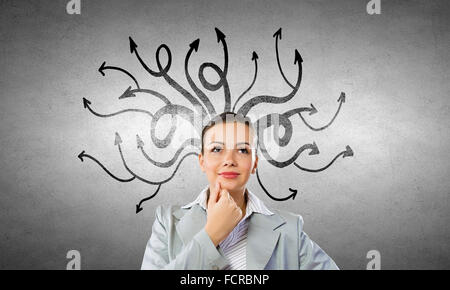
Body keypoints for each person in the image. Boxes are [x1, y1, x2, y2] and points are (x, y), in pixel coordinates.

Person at [140, 111, 339, 270]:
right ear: (202, 161)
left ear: (254, 164)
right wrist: (212, 234)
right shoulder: (167, 221)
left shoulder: (289, 228)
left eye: (243, 150)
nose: (229, 160)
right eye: (217, 149)